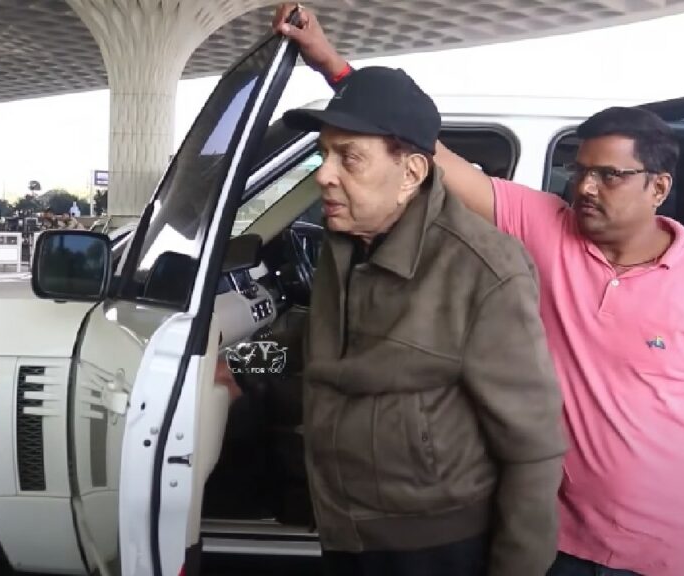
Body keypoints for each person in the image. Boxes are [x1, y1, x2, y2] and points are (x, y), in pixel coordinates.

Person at [271, 5, 684, 576]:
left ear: (658, 186)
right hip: (559, 541)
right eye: (578, 169)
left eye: (609, 175)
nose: (585, 186)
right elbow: (424, 151)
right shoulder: (545, 226)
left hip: (665, 551)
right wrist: (333, 66)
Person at [221, 53, 567, 573]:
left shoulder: (485, 271)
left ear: (411, 172)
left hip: (430, 549)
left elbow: (532, 450)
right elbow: (312, 340)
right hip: (342, 525)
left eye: (348, 157)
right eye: (324, 155)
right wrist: (243, 363)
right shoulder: (348, 241)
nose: (325, 177)